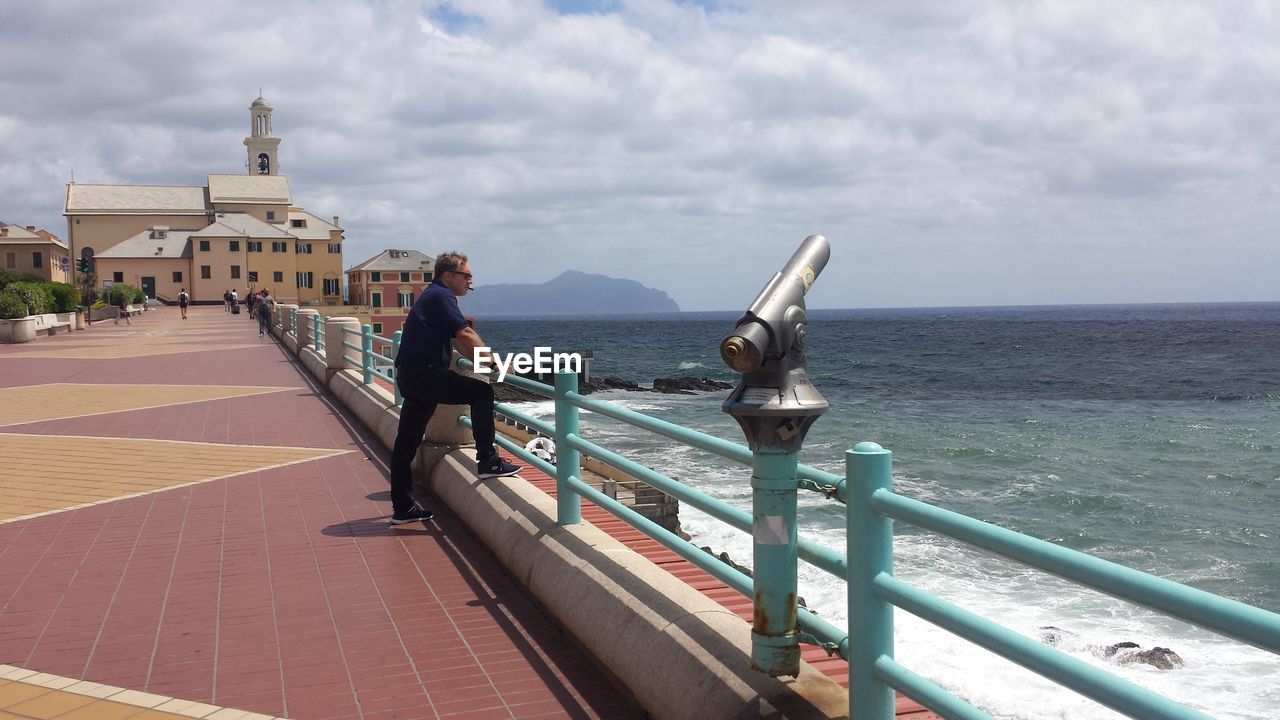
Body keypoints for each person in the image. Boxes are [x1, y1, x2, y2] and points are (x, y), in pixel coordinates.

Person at [388, 251, 520, 524]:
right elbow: (466, 334)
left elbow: (458, 340)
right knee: (481, 392)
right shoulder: (441, 296)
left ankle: (402, 507)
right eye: (466, 275)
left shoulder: (434, 296)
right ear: (448, 276)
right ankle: (488, 460)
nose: (470, 281)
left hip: (412, 376)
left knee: (407, 442)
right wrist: (496, 365)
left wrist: (482, 363)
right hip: (425, 376)